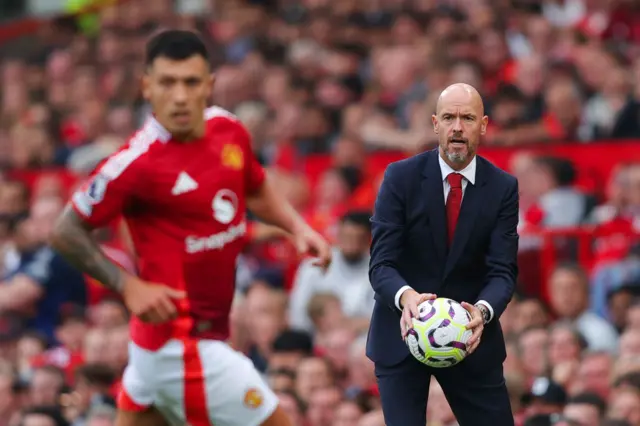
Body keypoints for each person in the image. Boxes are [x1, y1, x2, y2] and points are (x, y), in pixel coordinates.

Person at [50, 29, 331, 426]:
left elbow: (254, 186)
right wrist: (127, 285)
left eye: (190, 82)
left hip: (174, 343)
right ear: (147, 86)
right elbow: (65, 230)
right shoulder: (135, 163)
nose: (179, 96)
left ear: (209, 85)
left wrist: (297, 227)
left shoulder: (228, 129)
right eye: (167, 83)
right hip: (179, 344)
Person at [367, 83, 519, 426]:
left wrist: (482, 311)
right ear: (435, 124)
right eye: (449, 117)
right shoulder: (400, 177)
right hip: (403, 334)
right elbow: (382, 264)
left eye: (467, 118)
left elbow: (502, 271)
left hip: (471, 339)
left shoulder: (503, 188)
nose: (457, 128)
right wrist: (406, 298)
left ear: (483, 125)